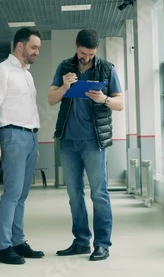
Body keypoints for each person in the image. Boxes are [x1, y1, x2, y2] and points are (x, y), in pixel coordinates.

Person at [48, 29, 124, 261]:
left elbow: (120, 103)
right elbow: (51, 99)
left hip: (94, 142)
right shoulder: (64, 68)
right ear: (76, 46)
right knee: (74, 194)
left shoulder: (107, 69)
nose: (87, 58)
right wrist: (64, 87)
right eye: (83, 53)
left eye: (91, 54)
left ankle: (102, 244)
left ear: (96, 50)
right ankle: (81, 241)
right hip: (68, 141)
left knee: (99, 193)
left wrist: (104, 99)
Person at [0, 27, 45, 265]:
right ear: (20, 46)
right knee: (12, 193)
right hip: (11, 136)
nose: (37, 52)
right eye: (34, 47)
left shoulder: (27, 74)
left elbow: (27, 109)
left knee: (22, 195)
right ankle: (4, 247)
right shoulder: (0, 72)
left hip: (29, 137)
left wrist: (33, 143)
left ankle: (18, 242)